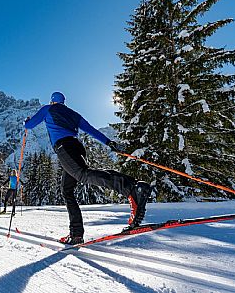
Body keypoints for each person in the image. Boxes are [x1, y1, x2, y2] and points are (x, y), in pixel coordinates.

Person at [24, 91, 152, 245]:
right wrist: (109, 142)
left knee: (82, 175)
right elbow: (90, 129)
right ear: (63, 102)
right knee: (67, 190)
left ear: (52, 101)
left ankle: (131, 188)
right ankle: (76, 233)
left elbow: (29, 125)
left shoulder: (48, 109)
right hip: (77, 147)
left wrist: (26, 121)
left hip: (64, 148)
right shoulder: (73, 114)